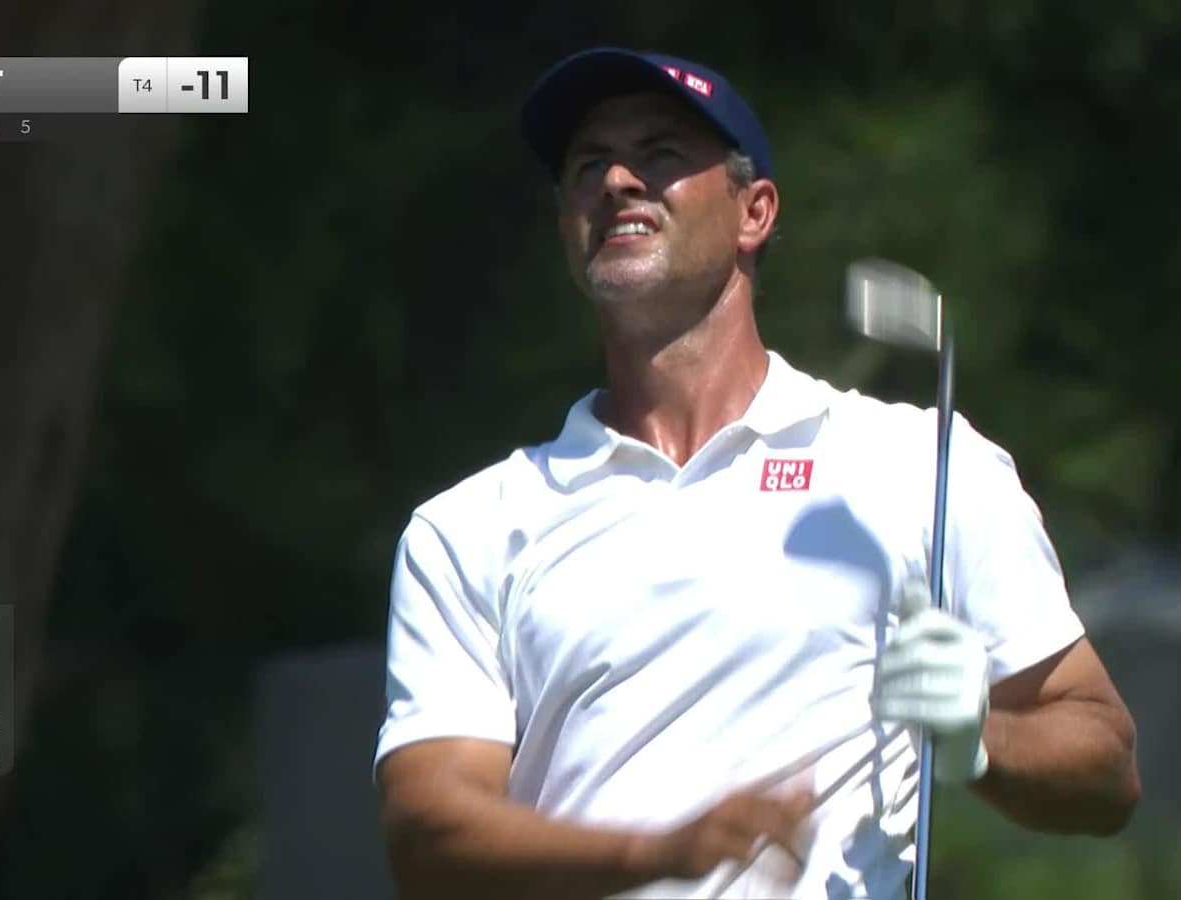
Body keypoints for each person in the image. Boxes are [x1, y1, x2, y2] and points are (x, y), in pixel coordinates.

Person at [372, 47, 1140, 900]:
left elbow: (1105, 765)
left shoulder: (916, 463)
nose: (618, 179)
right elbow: (429, 834)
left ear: (755, 212)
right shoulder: (469, 525)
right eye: (589, 164)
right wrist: (661, 854)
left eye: (661, 153)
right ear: (565, 223)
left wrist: (980, 740)